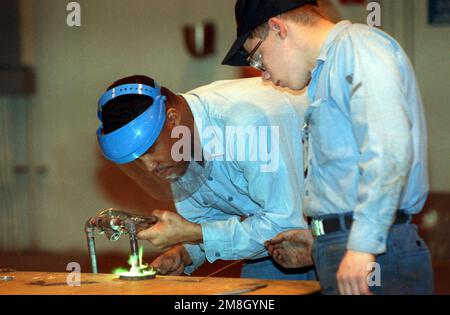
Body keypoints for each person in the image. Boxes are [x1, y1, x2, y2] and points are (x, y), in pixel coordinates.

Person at [222, 0, 433, 295]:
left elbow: (388, 148)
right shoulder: (324, 73)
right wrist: (322, 234)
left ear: (277, 28)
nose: (263, 74)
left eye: (256, 57)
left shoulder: (358, 46)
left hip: (375, 250)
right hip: (345, 245)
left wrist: (361, 245)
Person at [96, 75, 316, 280]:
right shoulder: (177, 145)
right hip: (281, 240)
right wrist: (185, 253)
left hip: (334, 225)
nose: (150, 167)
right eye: (138, 161)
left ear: (172, 118)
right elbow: (208, 223)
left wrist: (194, 233)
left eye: (150, 150)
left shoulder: (246, 123)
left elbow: (284, 227)